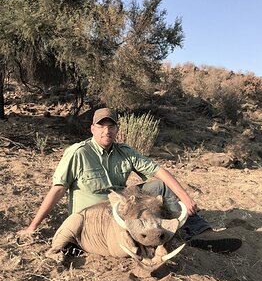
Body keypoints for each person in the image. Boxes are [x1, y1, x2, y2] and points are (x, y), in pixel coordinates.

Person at [19, 108, 242, 253]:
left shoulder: (124, 151)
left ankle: (197, 231)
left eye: (111, 126)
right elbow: (58, 190)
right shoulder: (77, 153)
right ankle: (168, 241)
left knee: (160, 187)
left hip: (120, 205)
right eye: (101, 126)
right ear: (92, 129)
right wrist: (33, 227)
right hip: (93, 216)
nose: (107, 131)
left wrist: (185, 197)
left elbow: (159, 171)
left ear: (117, 129)